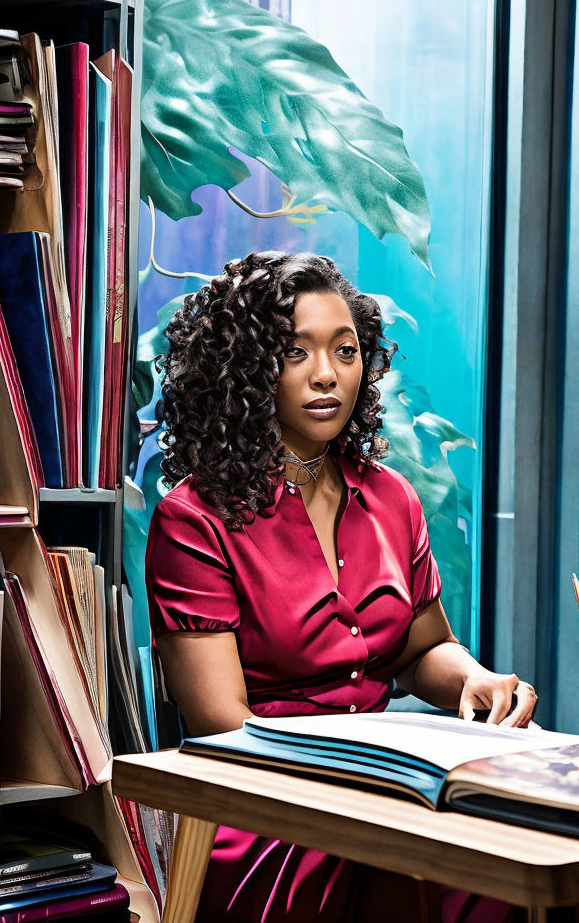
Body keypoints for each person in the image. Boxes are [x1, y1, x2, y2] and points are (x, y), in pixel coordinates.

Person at [145, 251, 538, 922]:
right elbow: (220, 723)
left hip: (389, 791)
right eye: (296, 353)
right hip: (268, 811)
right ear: (248, 368)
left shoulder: (392, 498)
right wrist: (367, 774)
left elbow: (419, 653)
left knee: (510, 858)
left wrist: (473, 680)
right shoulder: (193, 518)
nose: (327, 375)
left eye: (346, 350)